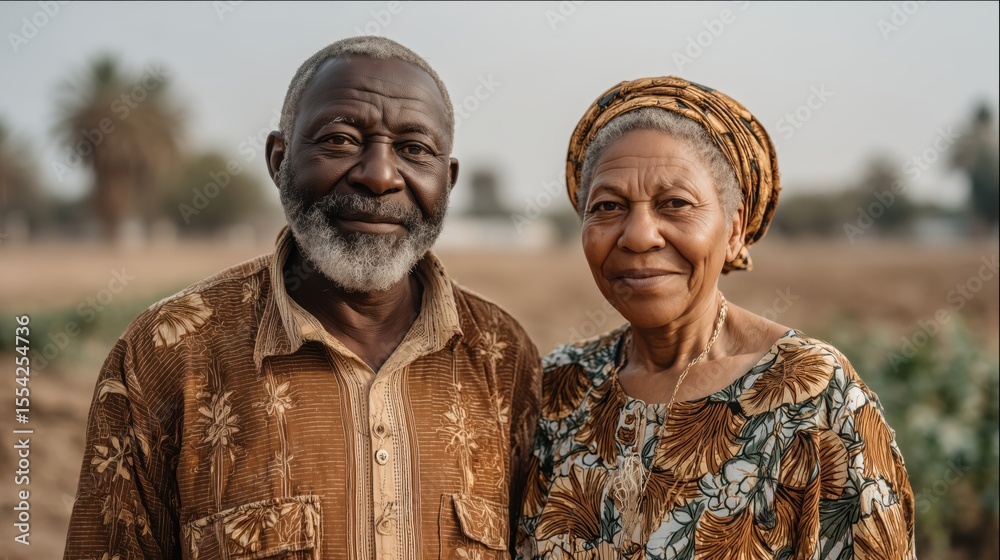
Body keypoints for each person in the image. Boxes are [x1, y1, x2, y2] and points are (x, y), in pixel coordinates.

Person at [64, 36, 541, 559]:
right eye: (339, 140)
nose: (379, 176)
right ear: (278, 159)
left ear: (446, 182)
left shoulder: (505, 358)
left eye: (414, 150)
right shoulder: (166, 353)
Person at [516, 77, 915, 559]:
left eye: (676, 204)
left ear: (734, 229)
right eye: (608, 206)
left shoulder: (810, 396)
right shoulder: (558, 389)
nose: (639, 235)